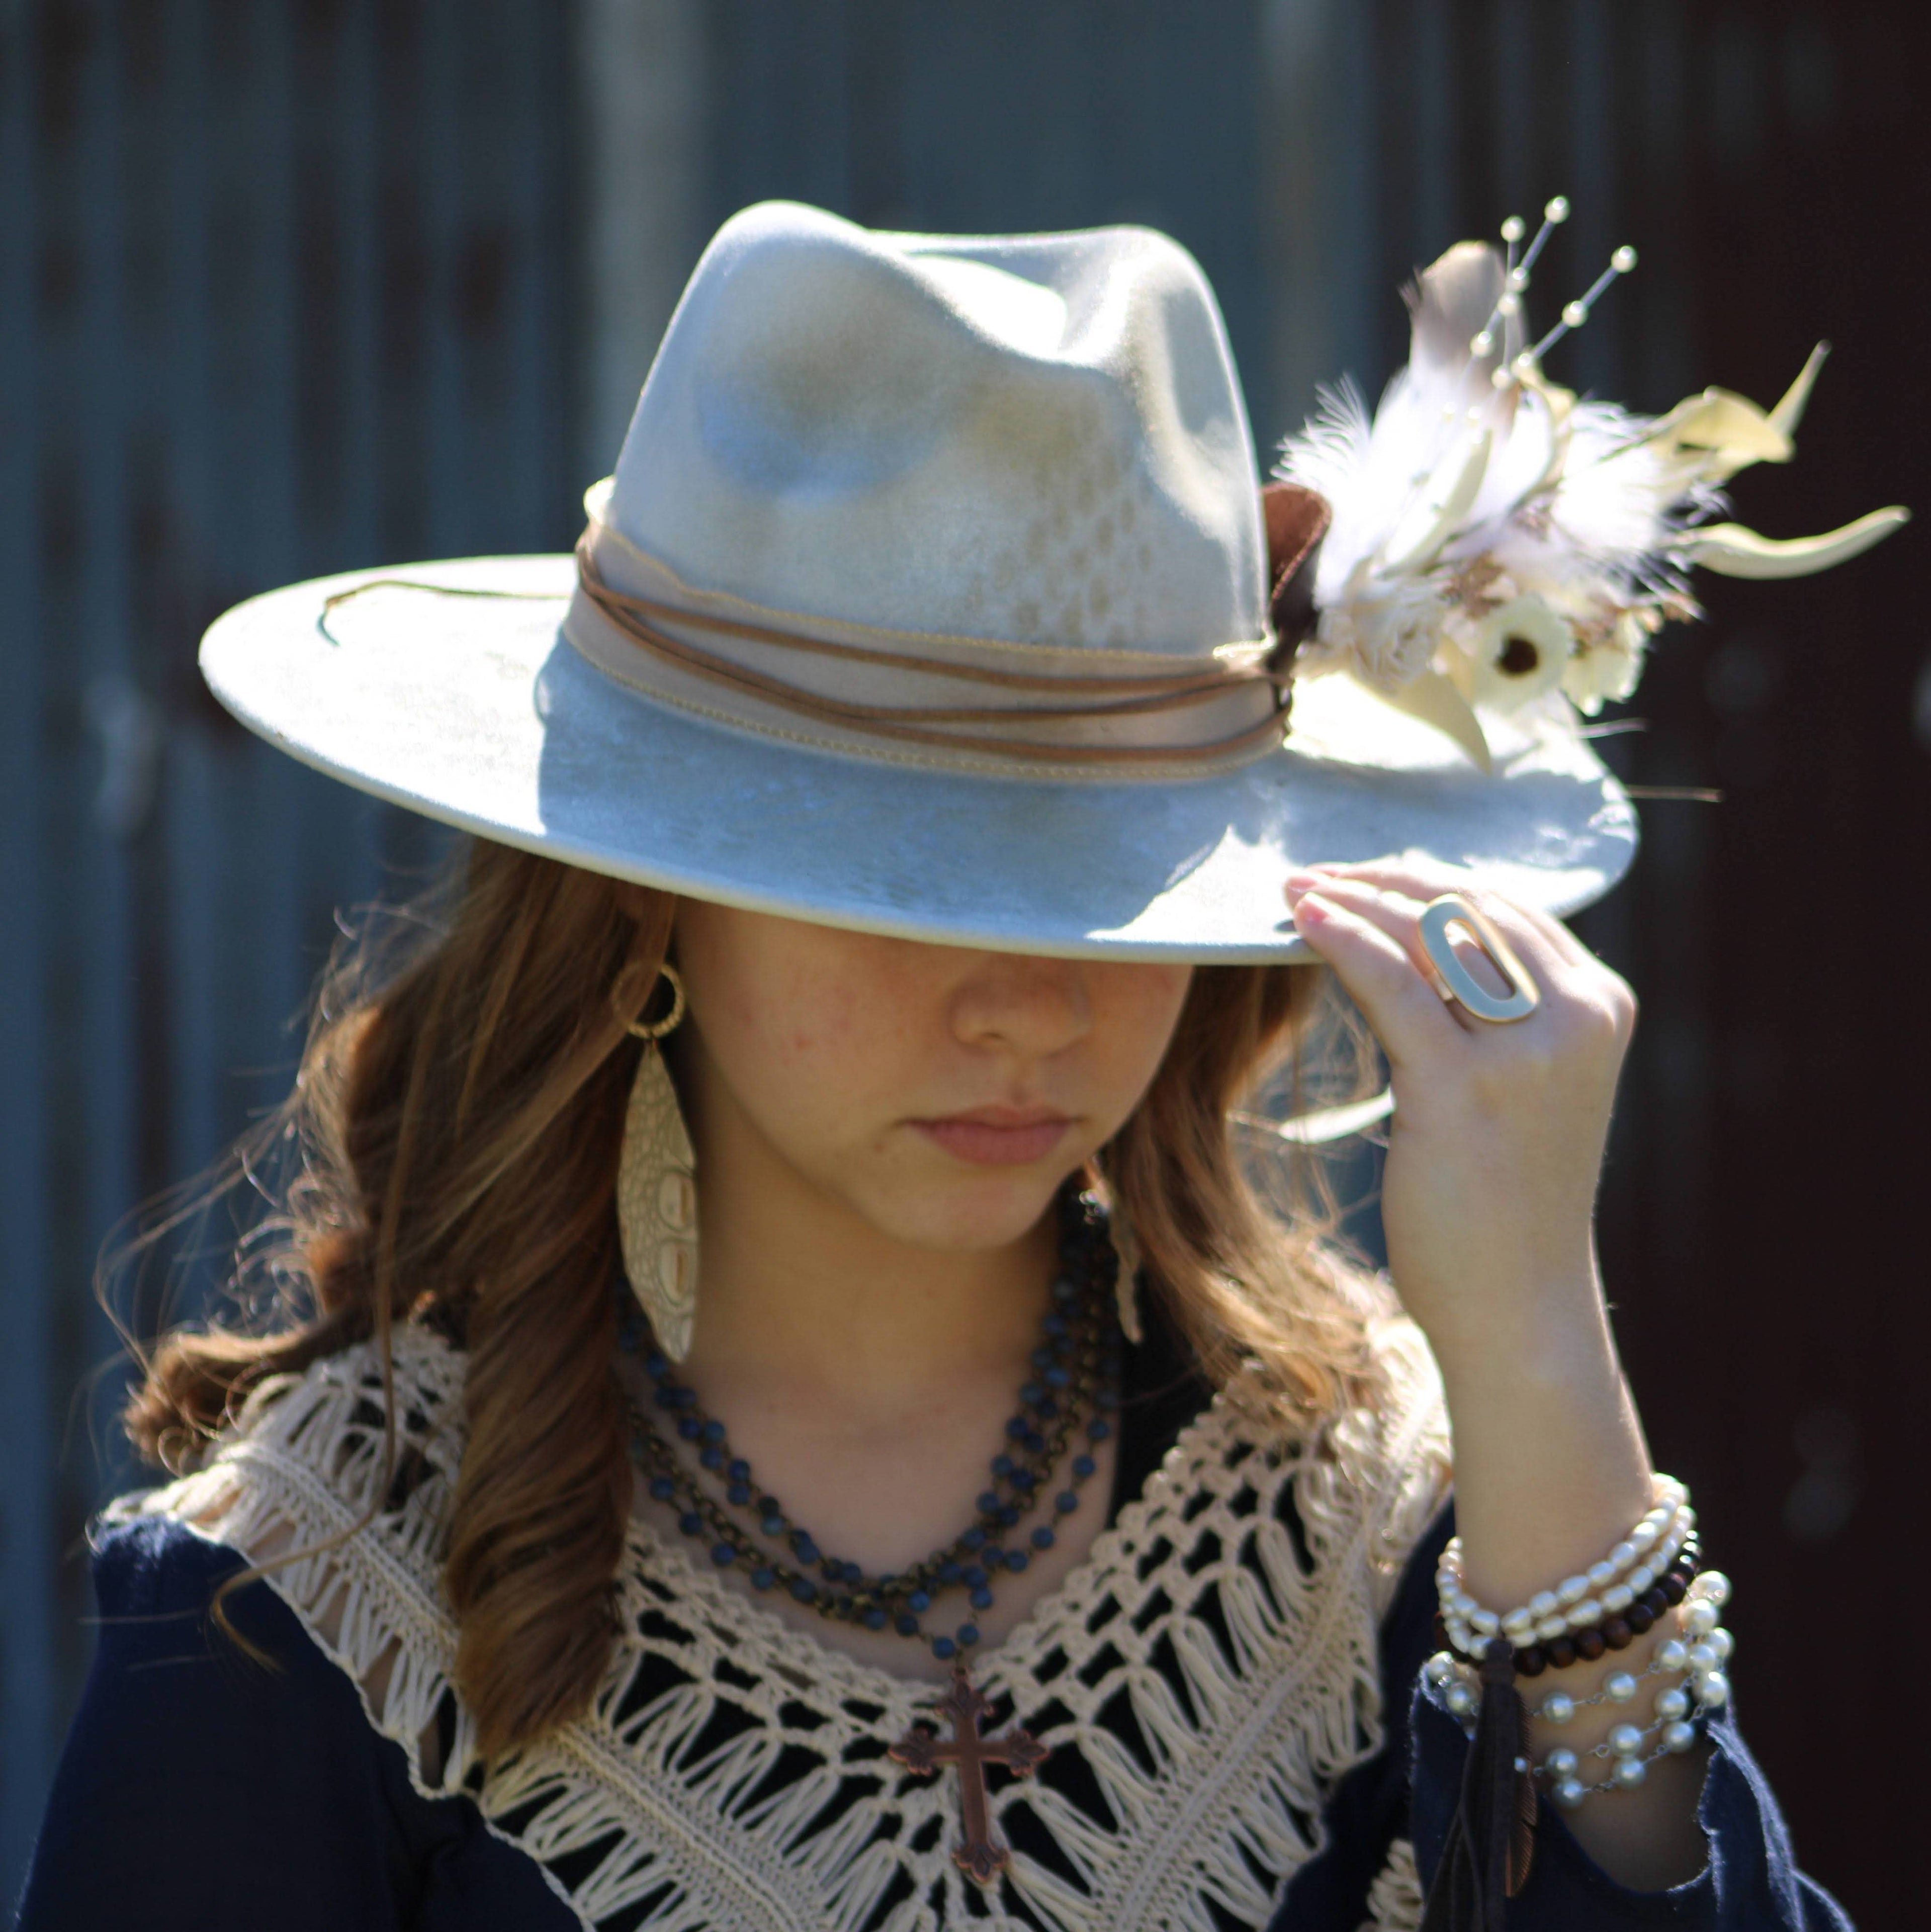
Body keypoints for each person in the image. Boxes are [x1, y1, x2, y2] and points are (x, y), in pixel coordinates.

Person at [20, 198, 1892, 1930]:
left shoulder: (1376, 1503)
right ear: (657, 907)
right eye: (896, 887)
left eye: (1115, 893)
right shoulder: (312, 1587)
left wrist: (1539, 1344)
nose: (1027, 1003)